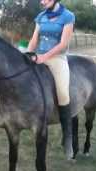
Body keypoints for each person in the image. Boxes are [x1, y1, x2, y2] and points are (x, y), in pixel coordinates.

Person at [27, 0, 75, 160]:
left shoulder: (68, 16)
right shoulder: (41, 17)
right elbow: (34, 39)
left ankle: (67, 139)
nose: (42, 1)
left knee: (63, 94)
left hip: (57, 59)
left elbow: (63, 44)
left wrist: (45, 57)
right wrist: (28, 54)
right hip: (38, 56)